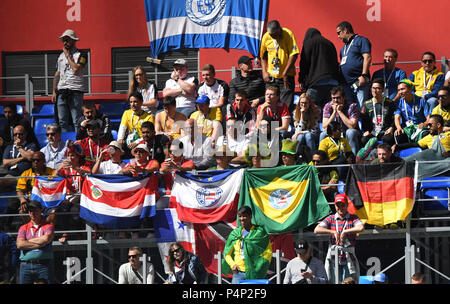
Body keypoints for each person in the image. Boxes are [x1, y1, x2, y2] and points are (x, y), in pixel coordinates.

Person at [314, 193, 365, 284]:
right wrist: (332, 232)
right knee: (333, 281)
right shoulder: (331, 218)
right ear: (335, 205)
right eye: (338, 205)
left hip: (349, 259)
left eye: (343, 205)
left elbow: (361, 227)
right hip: (334, 258)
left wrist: (346, 231)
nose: (340, 208)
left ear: (347, 205)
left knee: (349, 282)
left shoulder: (353, 218)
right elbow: (317, 229)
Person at [222, 206, 272, 283]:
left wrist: (259, 267)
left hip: (254, 273)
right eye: (240, 216)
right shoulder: (235, 234)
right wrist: (232, 265)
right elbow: (226, 253)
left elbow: (267, 252)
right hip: (238, 274)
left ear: (250, 216)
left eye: (244, 216)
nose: (242, 218)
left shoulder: (259, 232)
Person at [52, 29, 87, 133]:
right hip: (62, 90)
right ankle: (66, 145)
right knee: (62, 121)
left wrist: (68, 55)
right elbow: (57, 73)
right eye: (63, 40)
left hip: (75, 91)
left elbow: (76, 69)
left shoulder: (81, 54)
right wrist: (54, 91)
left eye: (67, 40)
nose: (65, 43)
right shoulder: (60, 56)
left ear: (73, 40)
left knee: (77, 120)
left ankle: (77, 143)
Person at [260, 20, 299, 109]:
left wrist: (285, 73)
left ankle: (284, 123)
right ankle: (275, 124)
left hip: (286, 78)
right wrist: (264, 72)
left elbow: (294, 54)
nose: (273, 37)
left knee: (285, 107)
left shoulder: (288, 34)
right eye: (271, 35)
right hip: (271, 78)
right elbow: (263, 57)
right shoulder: (266, 37)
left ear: (279, 29)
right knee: (271, 106)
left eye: (275, 34)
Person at [298, 28, 340, 108]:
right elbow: (335, 63)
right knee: (328, 112)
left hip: (316, 83)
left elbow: (304, 63)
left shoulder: (308, 43)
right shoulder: (329, 43)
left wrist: (301, 80)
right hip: (332, 83)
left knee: (311, 111)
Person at [16, 200, 55, 284]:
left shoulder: (48, 225)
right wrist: (41, 244)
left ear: (41, 211)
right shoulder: (23, 227)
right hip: (25, 265)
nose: (32, 213)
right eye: (30, 211)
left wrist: (27, 242)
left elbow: (47, 239)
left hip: (43, 265)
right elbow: (19, 245)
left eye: (35, 210)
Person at [336, 21, 372, 107]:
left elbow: (367, 57)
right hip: (347, 85)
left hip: (359, 82)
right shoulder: (343, 49)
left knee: (361, 107)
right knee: (350, 108)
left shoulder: (361, 40)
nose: (338, 36)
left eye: (339, 33)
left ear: (345, 30)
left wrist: (364, 75)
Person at [320, 86, 361, 155]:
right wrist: (334, 112)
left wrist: (339, 112)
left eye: (338, 98)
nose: (335, 101)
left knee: (350, 132)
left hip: (348, 132)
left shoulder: (352, 106)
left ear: (344, 98)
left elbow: (352, 126)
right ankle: (321, 159)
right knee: (323, 134)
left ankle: (353, 160)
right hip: (334, 133)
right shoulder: (328, 106)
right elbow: (325, 127)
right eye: (333, 98)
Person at [0, 125, 39, 192]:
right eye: (15, 134)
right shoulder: (9, 147)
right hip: (12, 176)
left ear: (25, 134)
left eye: (20, 134)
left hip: (26, 176)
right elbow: (5, 162)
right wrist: (22, 157)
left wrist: (18, 147)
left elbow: (30, 157)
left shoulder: (31, 145)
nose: (18, 136)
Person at [360, 78, 396, 147]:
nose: (375, 91)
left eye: (378, 88)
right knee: (364, 139)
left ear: (383, 90)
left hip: (385, 132)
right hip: (372, 132)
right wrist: (366, 131)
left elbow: (394, 118)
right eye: (373, 88)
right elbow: (364, 121)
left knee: (388, 139)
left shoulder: (389, 103)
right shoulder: (366, 104)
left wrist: (391, 128)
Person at [394, 79, 431, 144]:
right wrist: (398, 127)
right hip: (407, 129)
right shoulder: (399, 102)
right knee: (398, 134)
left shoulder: (421, 100)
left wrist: (425, 123)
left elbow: (429, 117)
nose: (400, 92)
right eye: (399, 90)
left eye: (402, 89)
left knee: (425, 134)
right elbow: (397, 117)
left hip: (419, 128)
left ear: (410, 89)